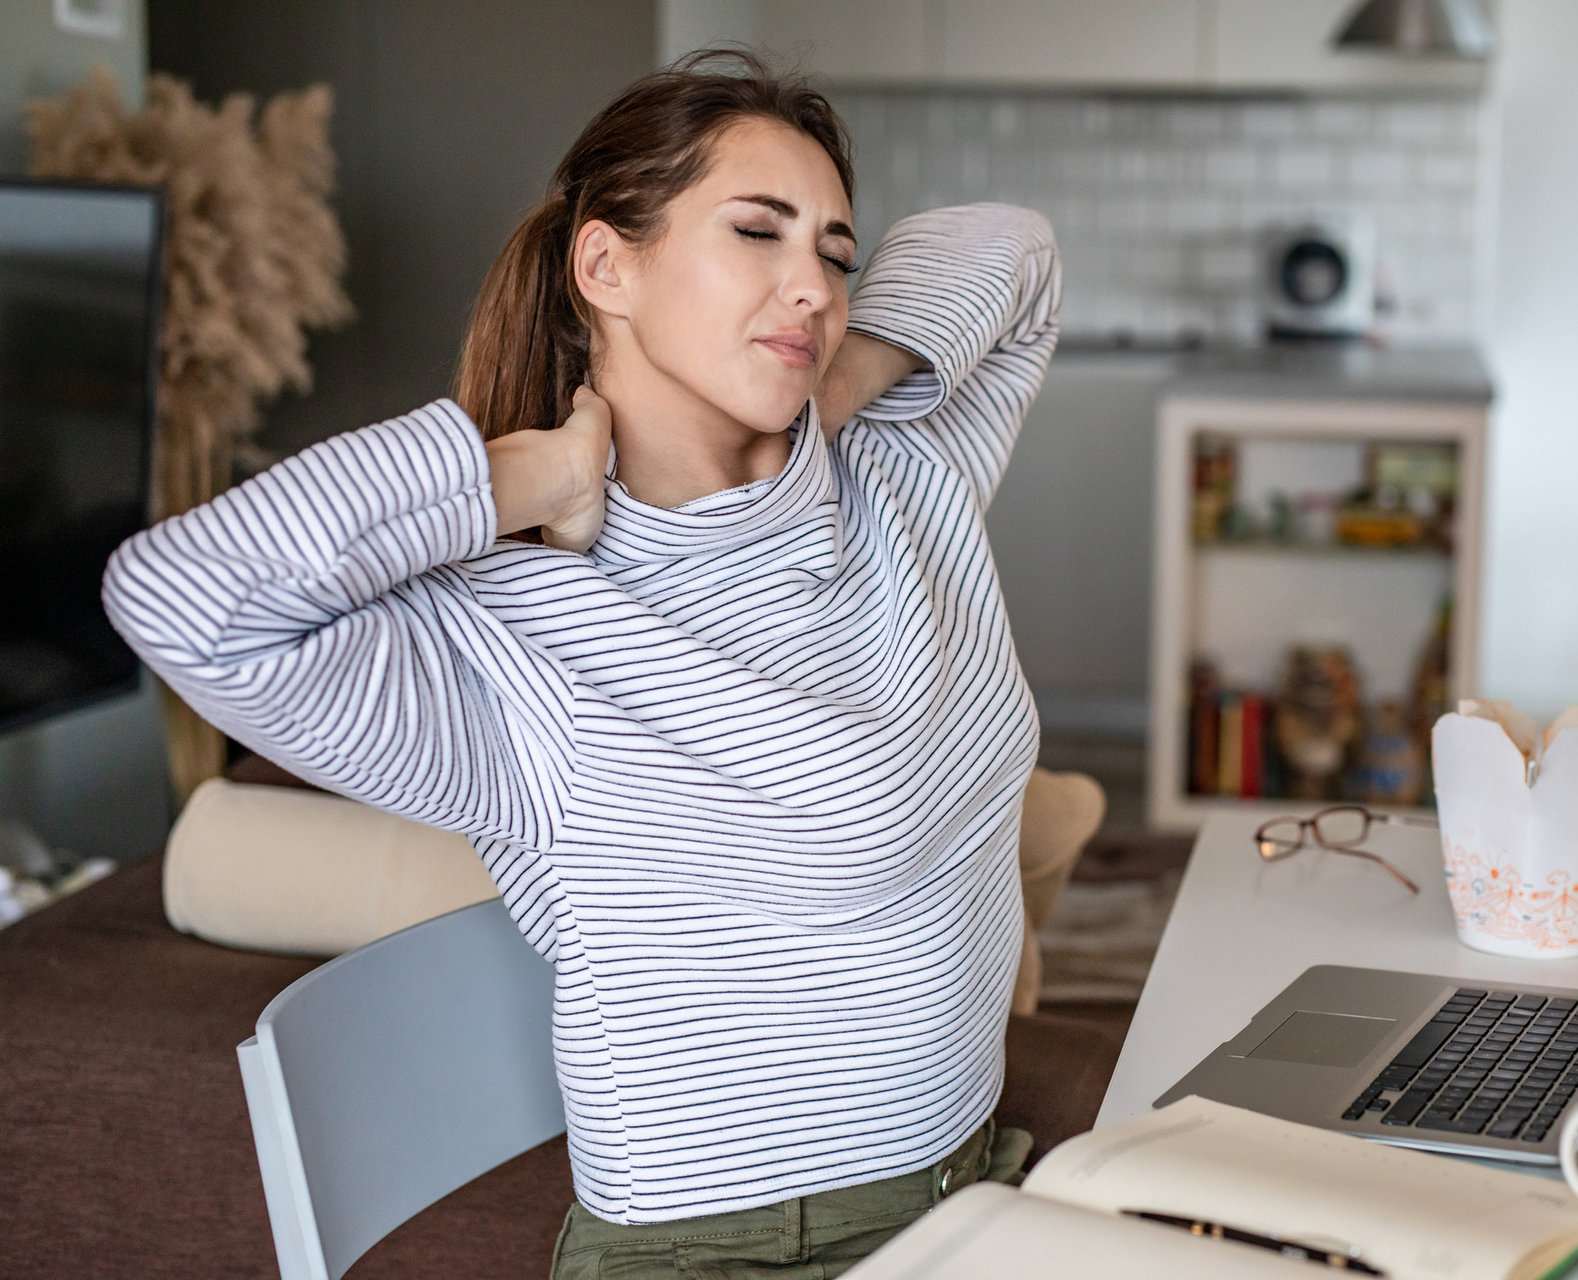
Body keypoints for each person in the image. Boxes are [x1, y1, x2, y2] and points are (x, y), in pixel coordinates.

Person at [102, 51, 1060, 1279]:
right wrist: (530, 475)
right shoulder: (513, 641)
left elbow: (1011, 246)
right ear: (606, 266)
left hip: (973, 1191)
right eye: (756, 232)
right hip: (735, 1255)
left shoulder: (895, 471)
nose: (810, 284)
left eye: (832, 248)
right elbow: (182, 599)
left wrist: (851, 378)